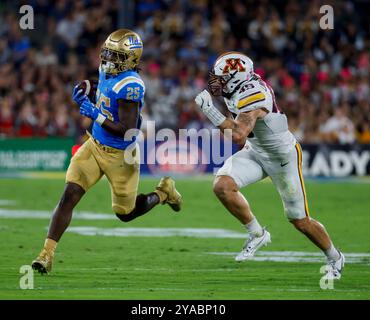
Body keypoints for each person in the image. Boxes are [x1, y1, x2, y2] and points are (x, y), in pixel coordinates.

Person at [32, 29, 182, 274]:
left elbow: (127, 130)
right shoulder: (107, 70)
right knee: (69, 194)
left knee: (126, 213)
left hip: (121, 156)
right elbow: (102, 89)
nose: (109, 60)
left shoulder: (131, 85)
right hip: (93, 146)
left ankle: (163, 193)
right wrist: (88, 87)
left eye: (117, 56)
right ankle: (46, 254)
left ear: (131, 59)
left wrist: (95, 114)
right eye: (108, 54)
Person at [194, 52, 344, 280]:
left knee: (299, 220)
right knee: (222, 185)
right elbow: (244, 138)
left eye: (221, 78)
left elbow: (238, 135)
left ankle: (335, 257)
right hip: (256, 151)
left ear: (237, 77)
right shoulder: (235, 89)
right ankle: (257, 233)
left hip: (282, 158)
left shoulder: (254, 93)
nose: (216, 82)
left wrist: (210, 111)